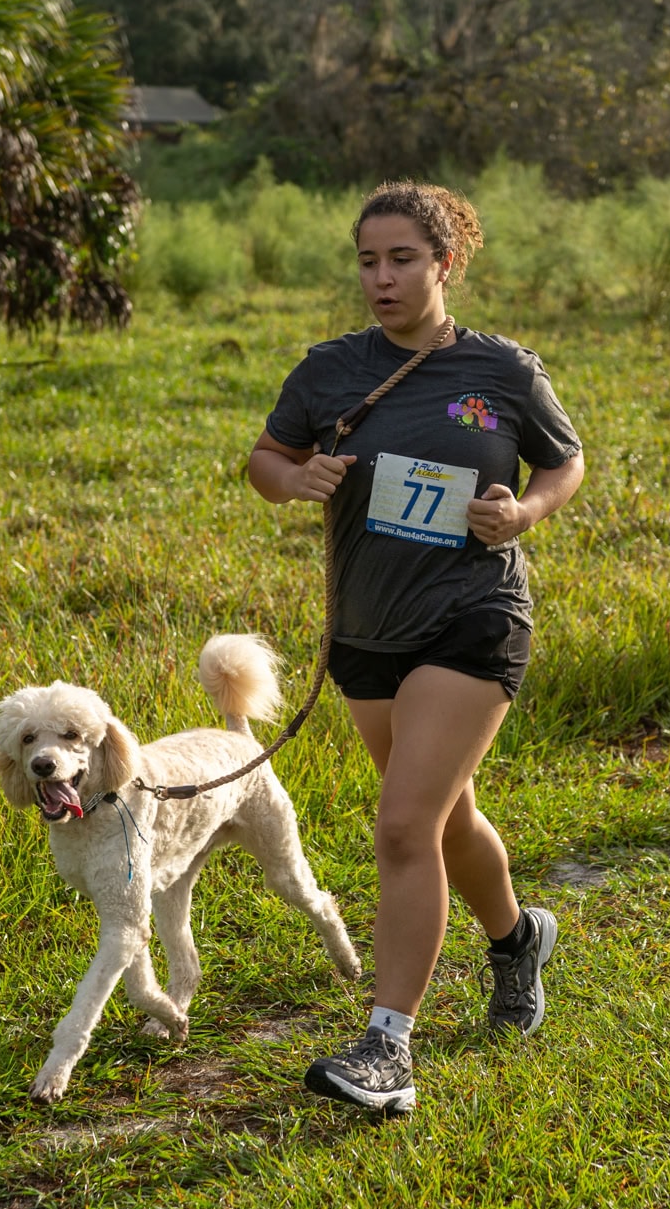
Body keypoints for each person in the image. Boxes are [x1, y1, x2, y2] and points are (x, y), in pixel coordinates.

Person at [247, 181, 586, 1113]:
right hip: (365, 629)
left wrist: (524, 510)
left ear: (446, 264)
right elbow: (264, 461)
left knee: (402, 827)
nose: (382, 278)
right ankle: (518, 940)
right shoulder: (328, 370)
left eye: (401, 260)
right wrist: (297, 476)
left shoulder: (503, 370)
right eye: (367, 260)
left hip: (474, 616)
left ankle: (387, 1049)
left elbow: (564, 462)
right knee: (442, 818)